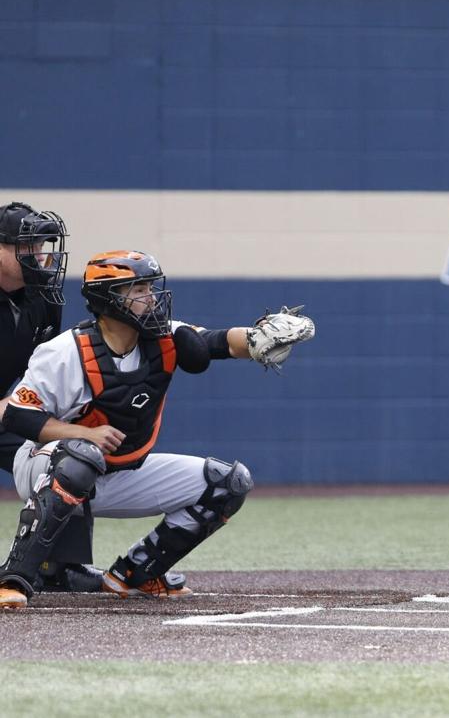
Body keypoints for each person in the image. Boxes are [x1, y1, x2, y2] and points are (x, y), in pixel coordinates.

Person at [0, 250, 315, 608]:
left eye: (150, 286)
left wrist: (258, 338)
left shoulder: (166, 334)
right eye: (137, 289)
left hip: (119, 469)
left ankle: (136, 573)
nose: (150, 297)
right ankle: (14, 578)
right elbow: (19, 416)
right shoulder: (64, 352)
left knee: (228, 483)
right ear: (109, 299)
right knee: (82, 456)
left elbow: (221, 341)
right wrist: (83, 434)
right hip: (46, 467)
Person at [0, 201, 107, 592]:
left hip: (5, 413)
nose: (40, 257)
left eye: (44, 246)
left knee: (72, 447)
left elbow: (44, 373)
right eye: (27, 247)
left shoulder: (43, 296)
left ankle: (59, 564)